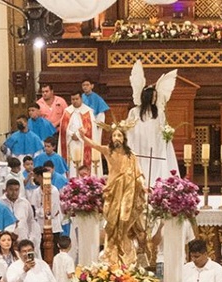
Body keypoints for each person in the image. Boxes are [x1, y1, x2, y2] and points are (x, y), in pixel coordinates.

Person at [79, 124, 147, 265]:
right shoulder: (108, 151)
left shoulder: (131, 156)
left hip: (128, 191)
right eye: (114, 135)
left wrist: (143, 186)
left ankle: (124, 249)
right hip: (113, 191)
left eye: (119, 135)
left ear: (124, 138)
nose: (116, 138)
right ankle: (112, 251)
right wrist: (83, 136)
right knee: (111, 221)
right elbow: (93, 145)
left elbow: (138, 174)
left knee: (124, 217)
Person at [126, 61, 179, 184]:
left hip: (155, 144)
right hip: (139, 145)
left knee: (155, 163)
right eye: (153, 96)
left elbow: (162, 126)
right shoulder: (135, 111)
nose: (155, 99)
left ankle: (156, 182)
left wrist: (166, 134)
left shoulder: (159, 112)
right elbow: (129, 127)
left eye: (156, 96)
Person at [60, 92, 96, 174]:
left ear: (81, 99)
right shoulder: (67, 111)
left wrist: (78, 135)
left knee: (83, 162)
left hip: (83, 143)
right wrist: (71, 134)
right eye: (73, 99)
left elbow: (90, 128)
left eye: (77, 99)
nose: (75, 101)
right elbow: (64, 128)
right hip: (71, 142)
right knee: (72, 164)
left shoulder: (88, 111)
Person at [0, 179, 38, 245]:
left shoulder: (25, 203)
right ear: (6, 190)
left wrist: (31, 238)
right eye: (11, 189)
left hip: (23, 240)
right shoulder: (0, 203)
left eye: (16, 190)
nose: (14, 192)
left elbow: (31, 221)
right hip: (5, 241)